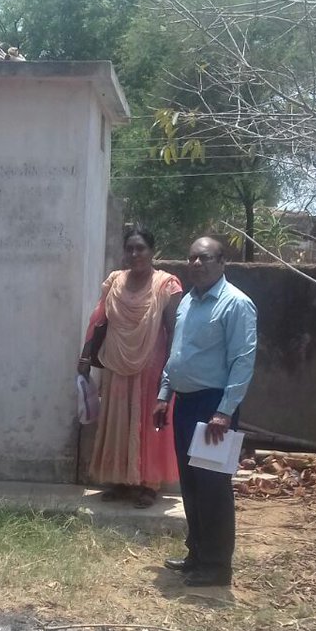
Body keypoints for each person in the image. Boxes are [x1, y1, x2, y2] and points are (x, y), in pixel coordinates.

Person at [153, 236, 257, 586]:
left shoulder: (236, 305)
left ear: (222, 262)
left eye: (206, 258)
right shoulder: (187, 303)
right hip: (185, 404)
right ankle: (196, 553)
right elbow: (177, 353)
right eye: (192, 257)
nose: (197, 264)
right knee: (191, 485)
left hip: (214, 408)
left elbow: (243, 363)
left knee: (213, 486)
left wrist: (225, 411)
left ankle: (216, 567)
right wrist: (164, 394)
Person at [78, 226, 183, 508]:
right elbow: (98, 320)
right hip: (115, 361)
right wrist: (86, 355)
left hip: (152, 363)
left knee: (148, 422)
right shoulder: (115, 280)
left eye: (141, 248)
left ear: (152, 251)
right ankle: (120, 481)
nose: (135, 254)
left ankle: (150, 484)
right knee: (117, 420)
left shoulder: (167, 284)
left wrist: (169, 369)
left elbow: (173, 328)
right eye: (130, 248)